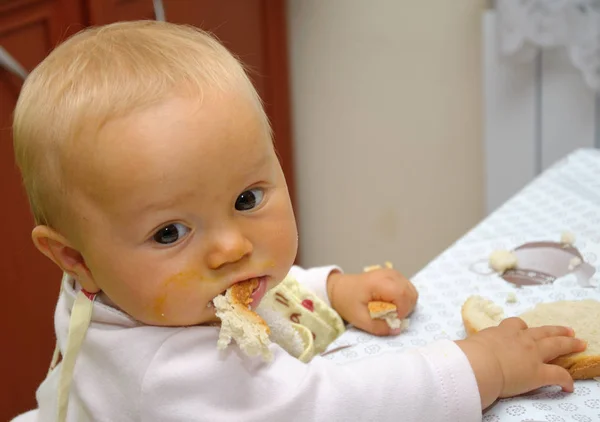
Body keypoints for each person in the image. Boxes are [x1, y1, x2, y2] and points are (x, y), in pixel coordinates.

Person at [12, 20, 586, 422]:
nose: (234, 248)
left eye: (246, 199)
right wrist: (477, 366)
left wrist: (330, 289)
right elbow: (332, 409)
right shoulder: (169, 375)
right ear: (75, 259)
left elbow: (254, 300)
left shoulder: (150, 292)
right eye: (170, 232)